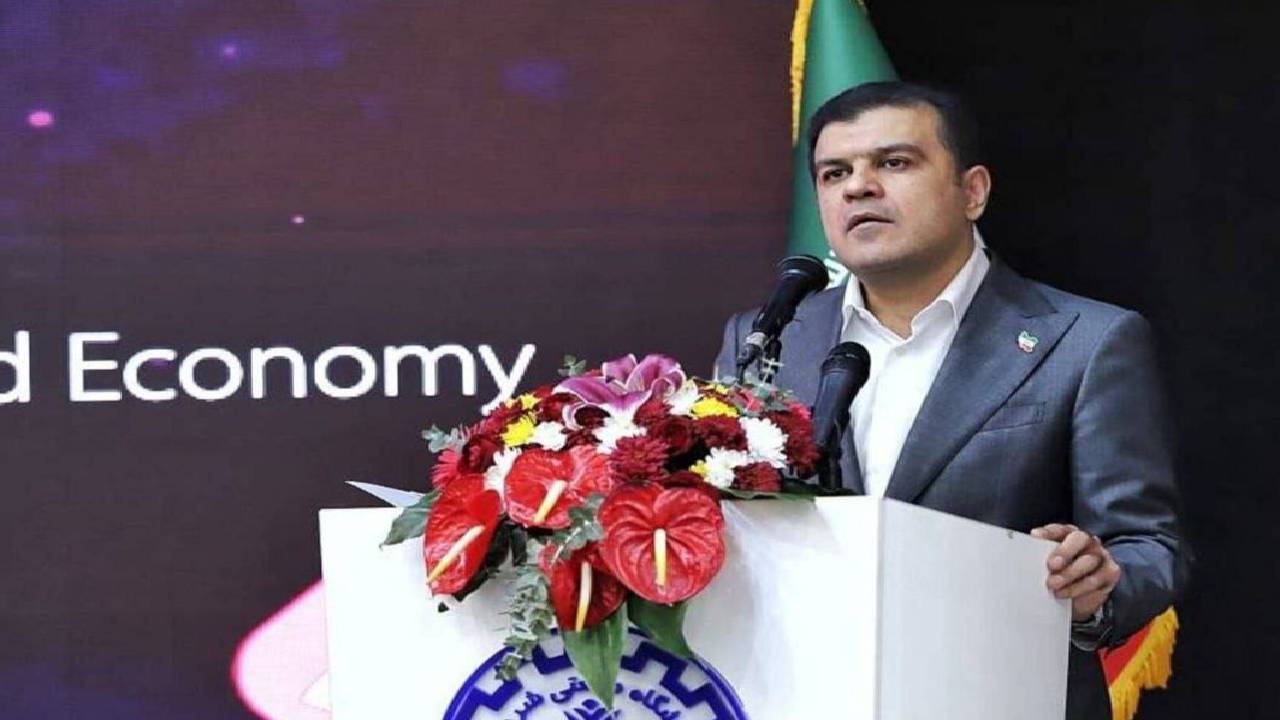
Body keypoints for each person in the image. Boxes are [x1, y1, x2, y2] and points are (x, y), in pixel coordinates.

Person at [714, 81, 1190, 719]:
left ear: (973, 192)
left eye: (893, 162)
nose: (858, 188)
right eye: (835, 173)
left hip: (997, 696)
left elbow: (1147, 543)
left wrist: (1098, 585)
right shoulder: (766, 340)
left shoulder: (1086, 341)